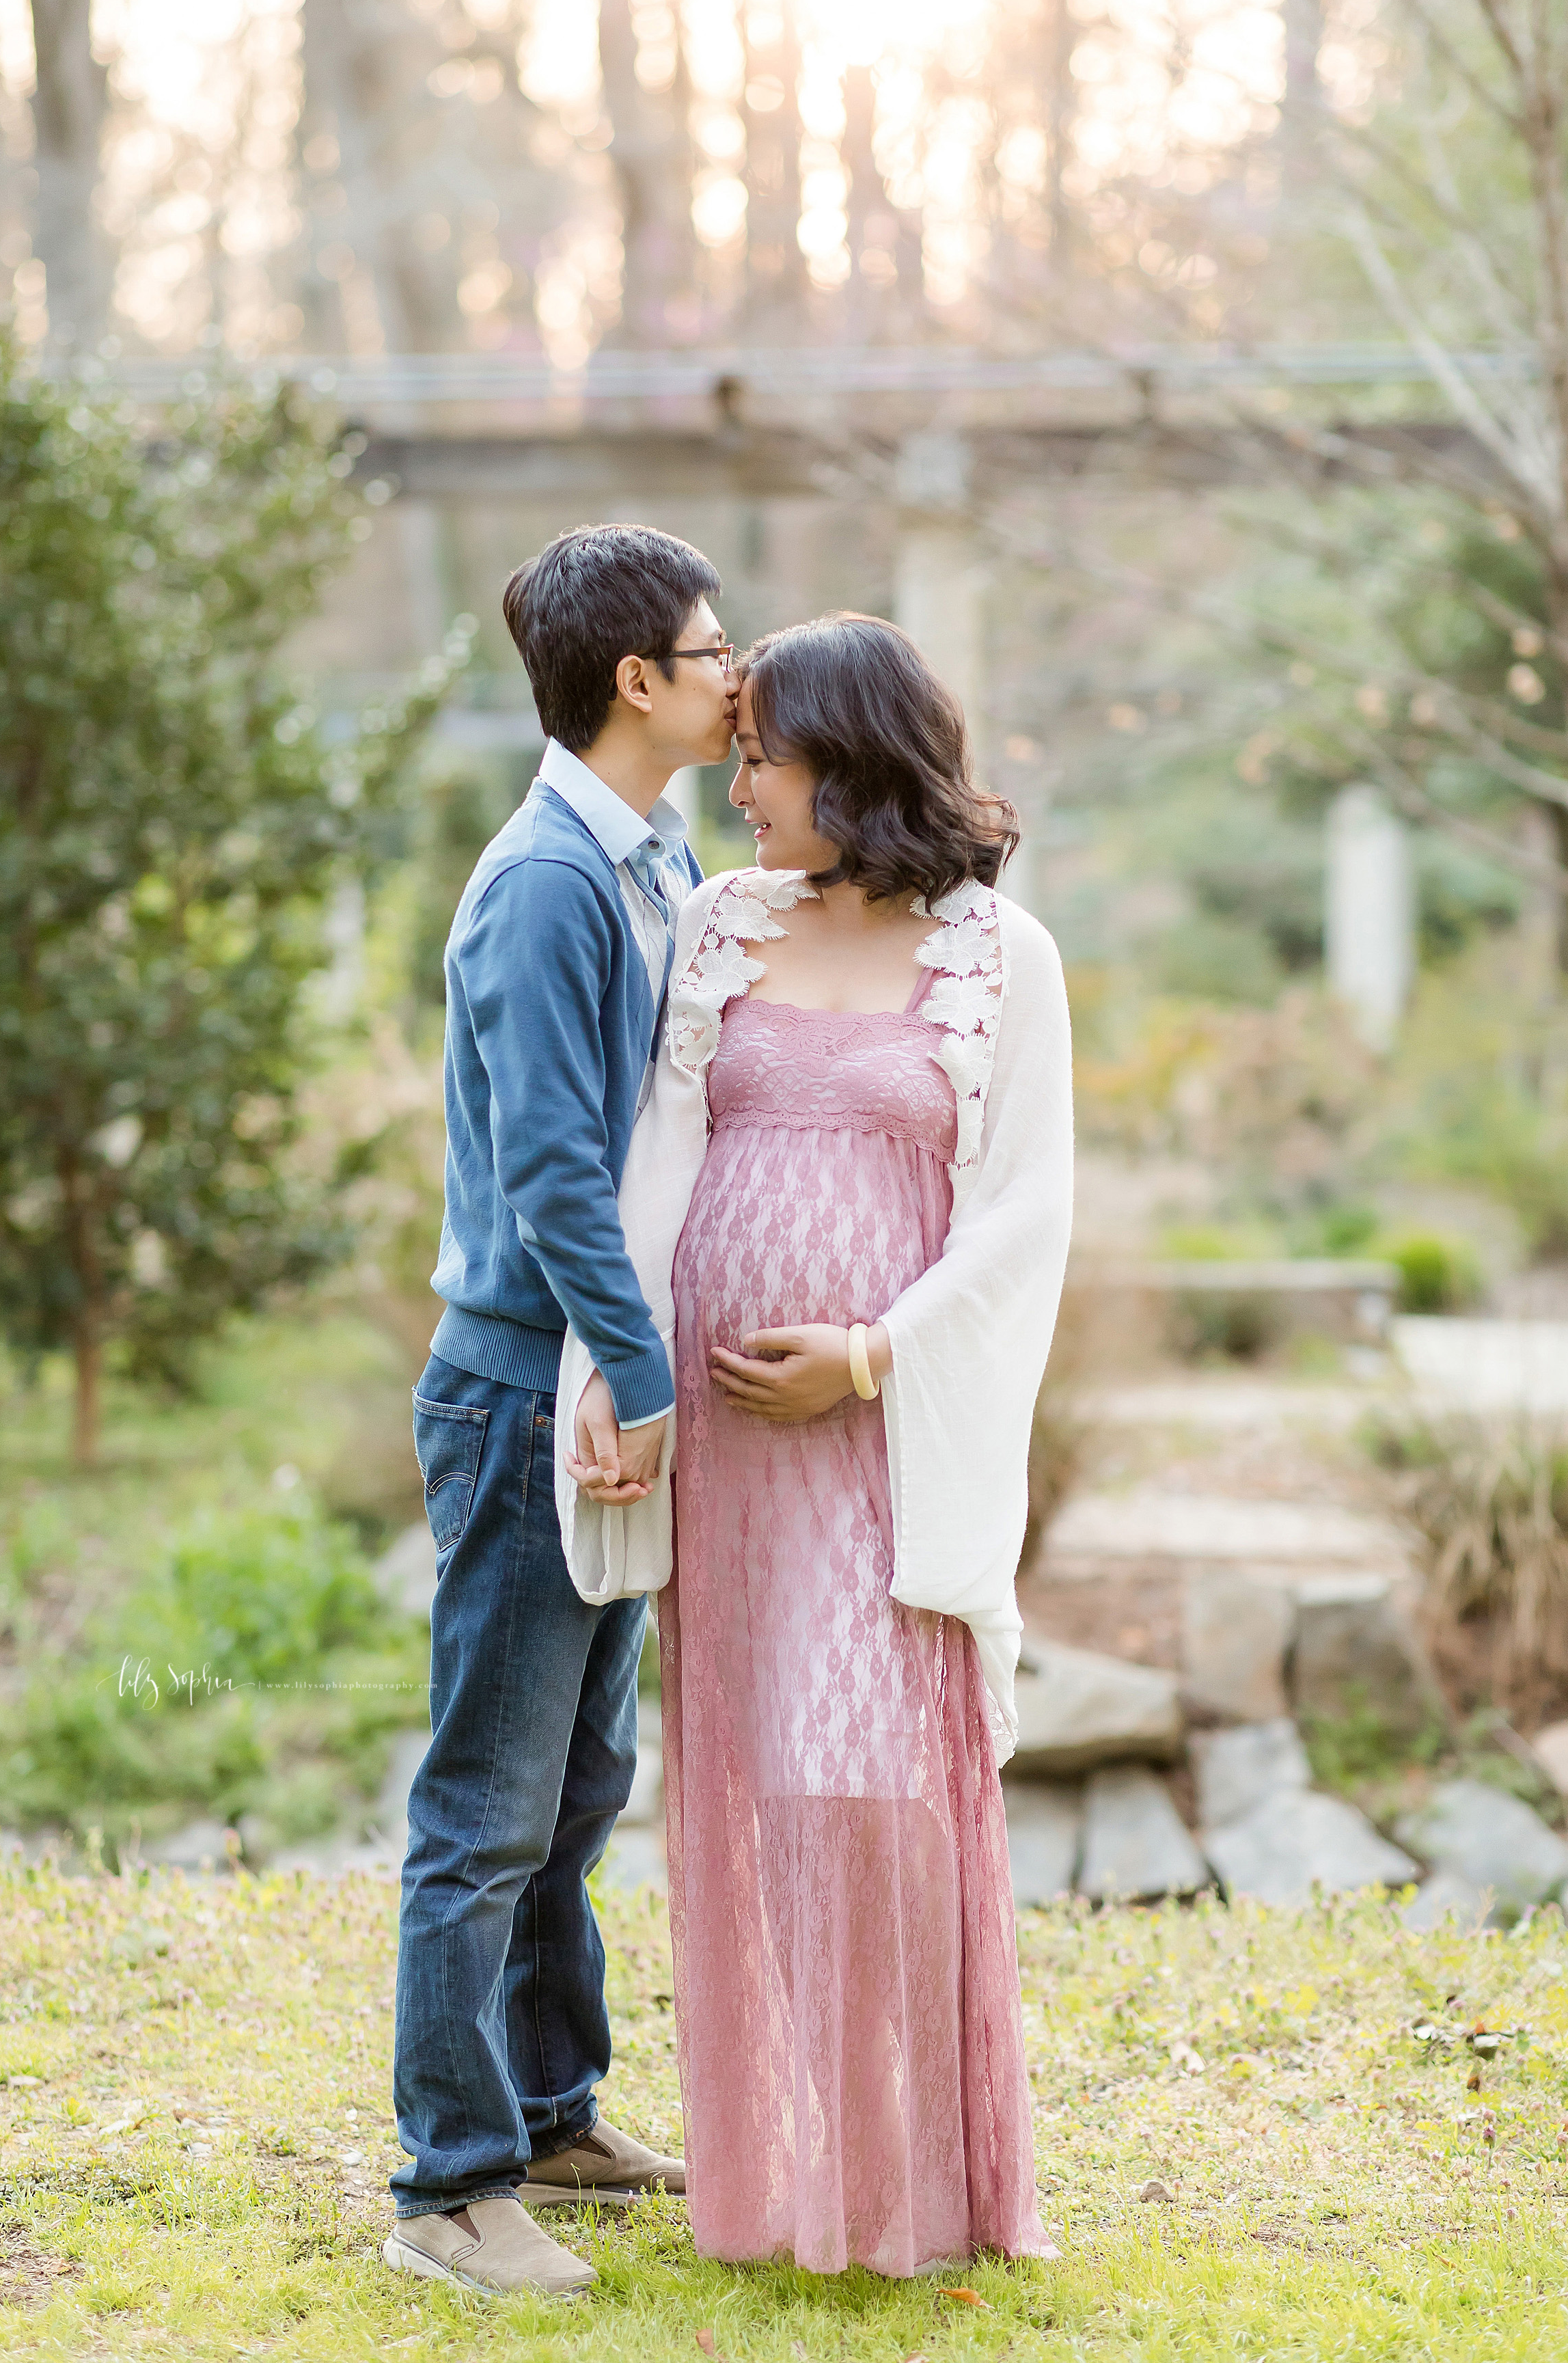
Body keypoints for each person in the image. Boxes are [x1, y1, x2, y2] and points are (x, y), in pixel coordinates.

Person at [555, 614, 1075, 2278]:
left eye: (762, 754)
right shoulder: (719, 926)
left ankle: (914, 2177)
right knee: (764, 1781)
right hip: (730, 1452)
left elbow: (1024, 1219)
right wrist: (611, 1374)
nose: (735, 780)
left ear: (853, 761)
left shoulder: (1002, 955)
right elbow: (651, 1169)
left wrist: (866, 1357)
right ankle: (788, 2180)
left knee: (881, 1790)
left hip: (879, 1438)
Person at [385, 523, 740, 2302]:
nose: (732, 667)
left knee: (583, 1780)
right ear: (634, 680)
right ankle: (447, 2182)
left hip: (594, 1380)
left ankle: (546, 2109)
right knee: (489, 1797)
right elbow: (546, 1172)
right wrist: (645, 1377)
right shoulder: (545, 881)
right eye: (709, 643)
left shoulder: (652, 854)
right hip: (538, 1385)